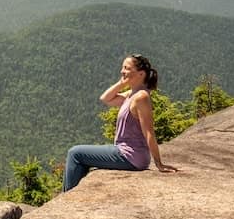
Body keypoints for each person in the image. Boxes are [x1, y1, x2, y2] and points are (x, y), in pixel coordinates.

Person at [62, 54, 179, 191]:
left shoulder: (141, 97)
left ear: (141, 74)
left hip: (130, 155)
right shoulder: (132, 94)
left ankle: (67, 196)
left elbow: (149, 132)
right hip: (126, 153)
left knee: (75, 153)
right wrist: (122, 83)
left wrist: (159, 163)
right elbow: (105, 99)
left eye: (126, 68)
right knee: (81, 159)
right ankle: (74, 194)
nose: (122, 71)